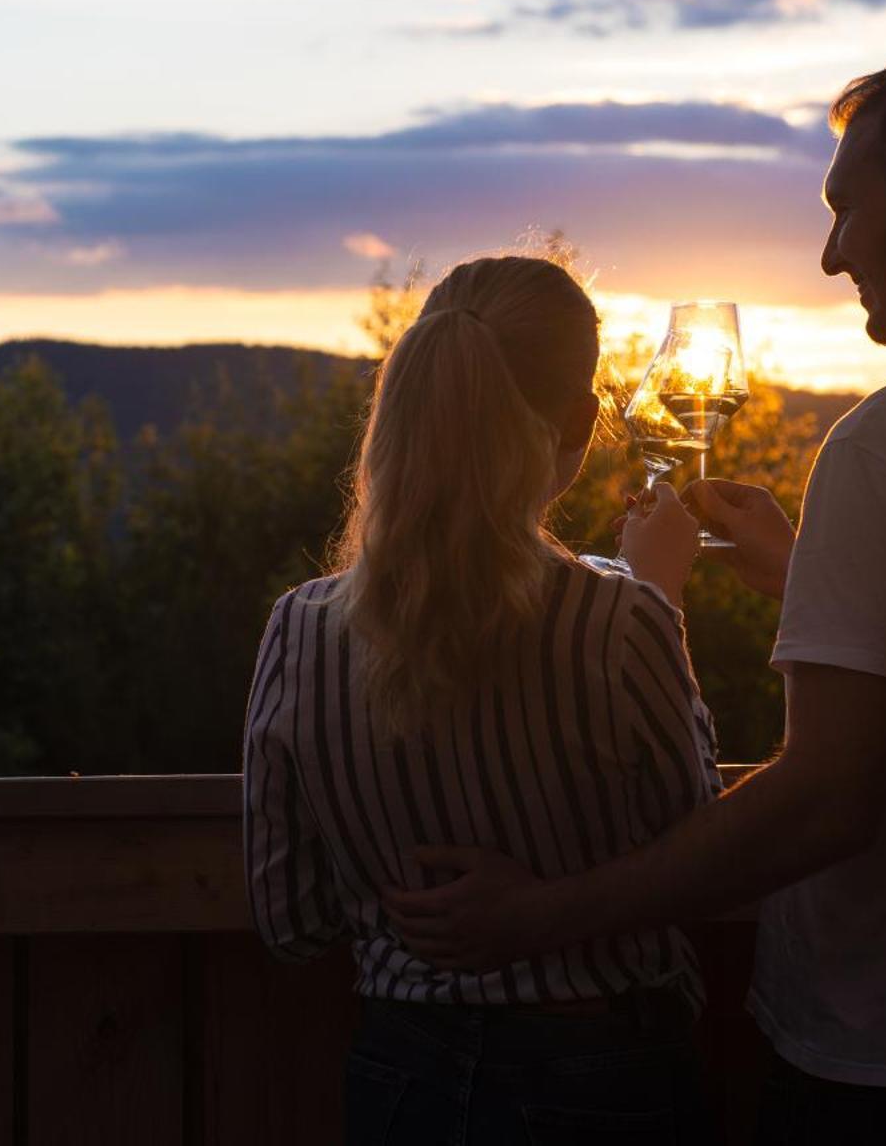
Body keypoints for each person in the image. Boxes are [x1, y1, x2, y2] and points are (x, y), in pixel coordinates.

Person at [384, 55, 886, 1145]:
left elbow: (827, 797)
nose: (827, 255)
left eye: (842, 209)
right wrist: (806, 571)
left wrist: (534, 913)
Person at [242, 254, 723, 1143]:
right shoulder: (620, 625)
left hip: (399, 1077)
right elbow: (703, 857)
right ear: (581, 420)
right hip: (604, 1077)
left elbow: (290, 920)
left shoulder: (298, 631)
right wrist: (661, 595)